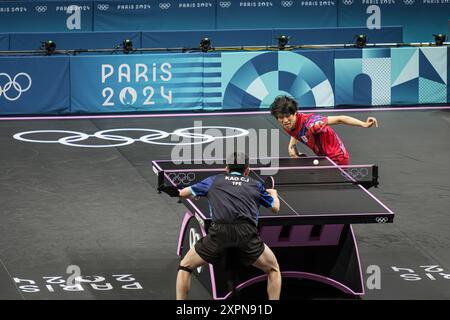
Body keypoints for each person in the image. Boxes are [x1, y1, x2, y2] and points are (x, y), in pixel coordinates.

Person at [175, 152, 281, 300]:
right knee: (273, 269)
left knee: (185, 266)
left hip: (219, 234)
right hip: (247, 235)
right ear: (247, 170)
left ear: (226, 168)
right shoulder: (255, 185)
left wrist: (200, 193)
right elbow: (275, 208)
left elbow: (183, 193)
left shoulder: (214, 180)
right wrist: (274, 194)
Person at [270, 95, 378, 165]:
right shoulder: (289, 124)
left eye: (287, 116)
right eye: (280, 117)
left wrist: (364, 124)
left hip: (337, 158)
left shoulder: (312, 123)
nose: (284, 121)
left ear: (295, 113)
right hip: (323, 157)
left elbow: (340, 119)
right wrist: (292, 146)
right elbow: (295, 131)